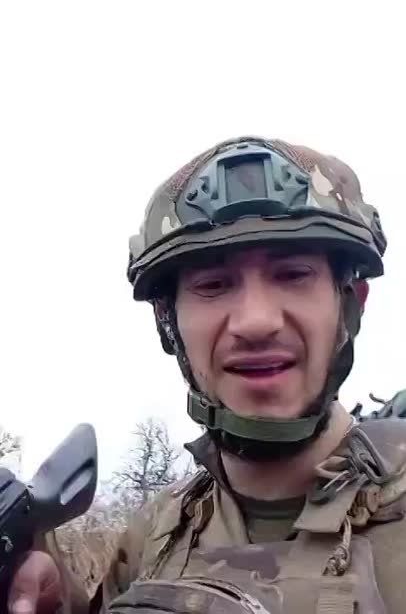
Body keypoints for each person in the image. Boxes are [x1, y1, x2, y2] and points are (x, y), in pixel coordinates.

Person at [8, 137, 406, 614]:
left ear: (351, 304)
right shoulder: (155, 537)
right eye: (213, 285)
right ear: (168, 322)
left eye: (293, 275)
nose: (256, 322)